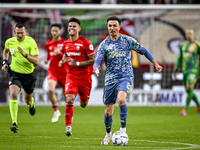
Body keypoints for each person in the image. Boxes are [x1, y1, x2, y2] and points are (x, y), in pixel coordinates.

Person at [93, 16, 163, 145]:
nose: (112, 28)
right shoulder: (104, 44)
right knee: (108, 111)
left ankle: (123, 130)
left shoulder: (127, 41)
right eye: (110, 26)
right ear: (107, 27)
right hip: (110, 79)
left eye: (115, 25)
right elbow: (98, 59)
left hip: (125, 76)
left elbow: (143, 50)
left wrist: (155, 63)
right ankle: (108, 134)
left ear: (119, 27)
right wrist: (96, 68)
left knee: (121, 99)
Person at [58, 17, 96, 136]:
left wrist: (78, 63)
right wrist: (63, 61)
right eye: (70, 26)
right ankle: (68, 127)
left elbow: (93, 60)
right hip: (71, 75)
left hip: (85, 77)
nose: (71, 28)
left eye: (74, 26)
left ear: (79, 28)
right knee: (69, 98)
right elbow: (65, 55)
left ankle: (81, 102)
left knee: (83, 104)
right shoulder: (65, 43)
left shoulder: (86, 43)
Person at [1, 22, 39, 133]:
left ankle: (31, 105)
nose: (20, 35)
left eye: (22, 33)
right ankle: (14, 123)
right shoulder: (10, 41)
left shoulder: (31, 42)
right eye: (18, 33)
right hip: (15, 73)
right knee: (13, 94)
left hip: (28, 74)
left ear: (25, 32)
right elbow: (6, 50)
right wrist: (5, 62)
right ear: (14, 32)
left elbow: (36, 61)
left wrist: (25, 55)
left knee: (27, 100)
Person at [44, 23, 67, 123]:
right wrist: (46, 59)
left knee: (66, 95)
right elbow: (49, 54)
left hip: (63, 72)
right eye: (52, 31)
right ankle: (56, 111)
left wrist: (60, 53)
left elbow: (68, 58)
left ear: (60, 32)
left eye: (56, 31)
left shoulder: (65, 43)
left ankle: (68, 112)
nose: (54, 32)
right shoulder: (48, 43)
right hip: (52, 71)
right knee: (50, 90)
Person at [174, 29, 200, 116]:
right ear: (185, 35)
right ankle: (199, 106)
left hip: (194, 70)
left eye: (190, 33)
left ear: (193, 35)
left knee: (189, 88)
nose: (189, 35)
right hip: (185, 70)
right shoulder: (183, 46)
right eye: (187, 34)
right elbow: (180, 58)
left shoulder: (197, 45)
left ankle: (185, 110)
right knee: (188, 90)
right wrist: (176, 68)